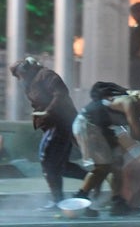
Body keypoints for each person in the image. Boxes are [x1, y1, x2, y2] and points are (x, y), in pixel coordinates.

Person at [72, 83, 140, 216]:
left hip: (100, 128)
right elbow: (138, 134)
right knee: (102, 167)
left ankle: (118, 204)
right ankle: (79, 200)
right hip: (88, 124)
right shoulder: (129, 103)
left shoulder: (133, 105)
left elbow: (136, 132)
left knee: (117, 164)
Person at [9, 57, 88, 210]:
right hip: (51, 125)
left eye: (20, 74)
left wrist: (48, 112)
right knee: (61, 166)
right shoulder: (30, 85)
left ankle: (58, 200)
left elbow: (61, 94)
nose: (20, 78)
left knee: (48, 160)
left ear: (27, 68)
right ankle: (90, 180)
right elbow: (37, 104)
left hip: (61, 123)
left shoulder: (46, 75)